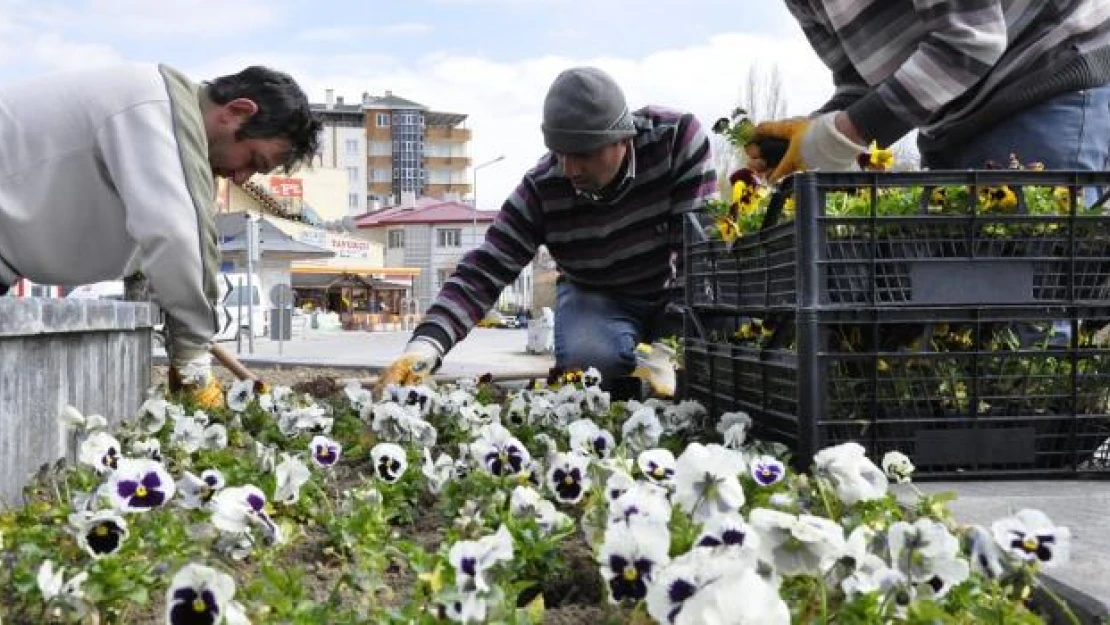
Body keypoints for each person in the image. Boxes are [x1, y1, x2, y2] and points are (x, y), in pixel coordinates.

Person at [378, 66, 717, 394]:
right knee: (593, 365)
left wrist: (669, 343)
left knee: (715, 355)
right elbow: (484, 270)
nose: (569, 169)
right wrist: (424, 348)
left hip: (672, 287)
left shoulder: (676, 141)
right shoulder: (544, 188)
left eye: (582, 154)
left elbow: (700, 257)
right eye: (559, 153)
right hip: (596, 297)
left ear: (623, 139)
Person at [0, 64, 321, 407]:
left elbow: (159, 229)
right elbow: (177, 234)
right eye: (253, 160)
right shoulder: (153, 111)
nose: (242, 179)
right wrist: (192, 355)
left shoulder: (163, 117)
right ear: (237, 112)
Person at [751, 1, 1110, 179]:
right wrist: (809, 139)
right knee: (958, 313)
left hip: (1040, 79)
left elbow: (971, 42)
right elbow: (863, 84)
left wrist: (839, 136)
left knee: (1024, 308)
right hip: (955, 118)